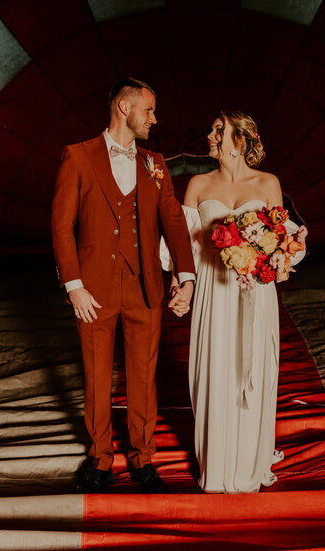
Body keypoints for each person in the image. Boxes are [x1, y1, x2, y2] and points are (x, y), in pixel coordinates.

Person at [51, 78, 195, 493]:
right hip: (92, 289)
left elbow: (173, 222)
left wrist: (185, 277)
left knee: (143, 377)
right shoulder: (77, 157)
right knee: (97, 377)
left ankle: (143, 458)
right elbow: (61, 226)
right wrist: (74, 285)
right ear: (122, 108)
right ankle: (99, 459)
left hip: (146, 286)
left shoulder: (155, 162)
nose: (154, 118)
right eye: (148, 110)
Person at [162, 111, 305, 493]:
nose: (209, 135)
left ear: (239, 141)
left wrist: (280, 255)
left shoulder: (268, 183)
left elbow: (284, 242)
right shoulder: (197, 184)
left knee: (253, 373)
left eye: (218, 130)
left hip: (254, 293)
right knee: (212, 370)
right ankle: (217, 465)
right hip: (213, 291)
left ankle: (247, 465)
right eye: (212, 128)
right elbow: (184, 246)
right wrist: (181, 287)